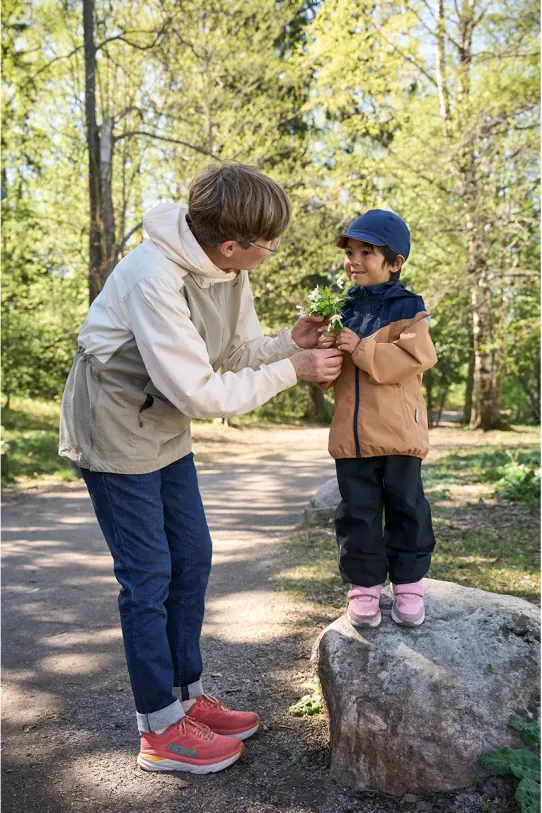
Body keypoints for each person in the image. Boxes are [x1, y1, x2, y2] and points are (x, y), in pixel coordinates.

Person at [59, 162, 343, 774]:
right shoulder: (151, 277)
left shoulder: (227, 268)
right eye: (267, 245)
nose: (271, 253)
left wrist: (289, 342)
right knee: (148, 573)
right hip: (113, 419)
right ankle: (160, 729)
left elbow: (235, 354)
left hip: (162, 419)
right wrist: (293, 371)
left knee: (193, 554)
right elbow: (202, 393)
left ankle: (185, 696)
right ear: (231, 244)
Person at [318, 209, 437, 629]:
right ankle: (364, 587)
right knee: (358, 512)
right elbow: (332, 374)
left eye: (366, 252)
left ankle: (407, 583)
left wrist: (361, 348)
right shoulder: (342, 308)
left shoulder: (410, 308)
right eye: (350, 251)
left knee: (407, 506)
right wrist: (326, 355)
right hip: (351, 436)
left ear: (395, 262)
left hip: (400, 433)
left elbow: (413, 360)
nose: (353, 259)